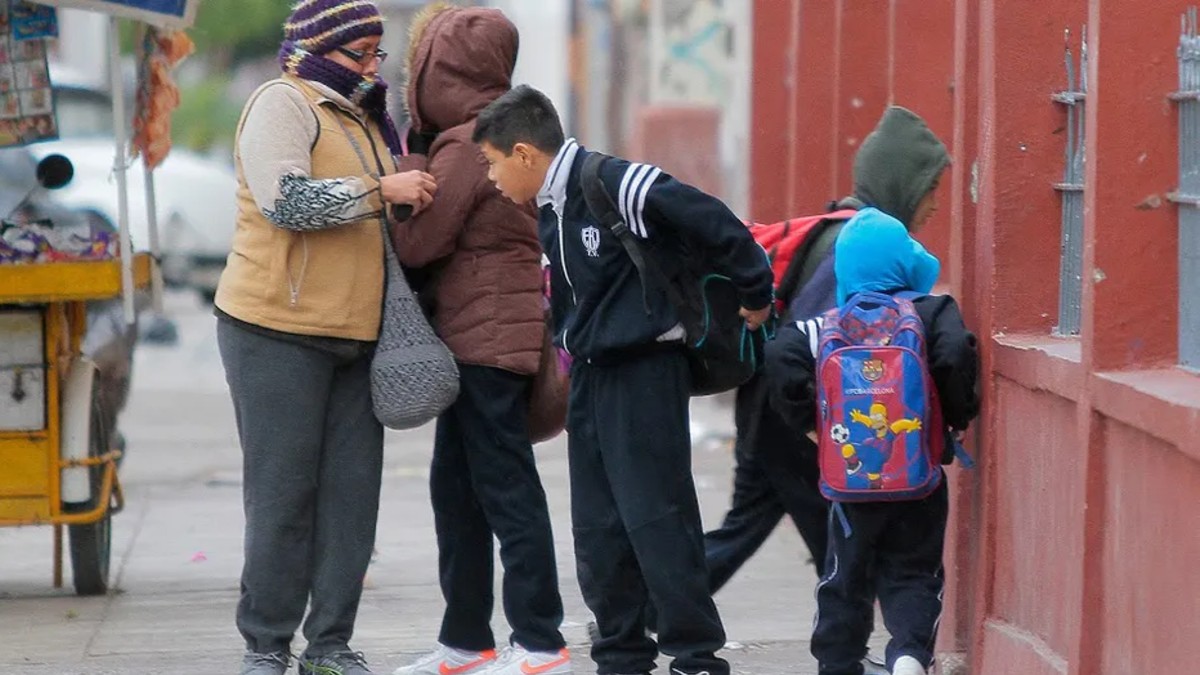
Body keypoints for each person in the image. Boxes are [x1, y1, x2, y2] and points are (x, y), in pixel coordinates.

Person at [472, 84, 774, 675]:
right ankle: (621, 654)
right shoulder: (550, 211)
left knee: (658, 519)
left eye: (492, 163)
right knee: (598, 530)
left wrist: (756, 290)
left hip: (645, 374)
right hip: (591, 379)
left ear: (526, 154)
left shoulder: (614, 183)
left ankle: (694, 655)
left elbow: (711, 218)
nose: (490, 177)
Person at [213, 2, 435, 673]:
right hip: (275, 330)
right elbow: (288, 202)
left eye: (377, 55)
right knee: (284, 495)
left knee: (351, 498)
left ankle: (331, 643)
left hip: (355, 334)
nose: (372, 67)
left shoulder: (362, 114)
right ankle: (267, 643)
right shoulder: (284, 103)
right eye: (359, 54)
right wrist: (379, 189)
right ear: (318, 47)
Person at [387, 6, 569, 675]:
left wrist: (404, 169)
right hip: (487, 336)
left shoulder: (465, 144)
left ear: (444, 71)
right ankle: (465, 638)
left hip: (486, 340)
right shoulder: (496, 131)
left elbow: (419, 240)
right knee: (458, 491)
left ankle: (540, 641)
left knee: (504, 490)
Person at [764, 208, 980, 675]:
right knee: (916, 570)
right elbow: (954, 353)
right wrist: (956, 418)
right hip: (918, 474)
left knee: (844, 573)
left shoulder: (828, 325)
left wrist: (811, 425)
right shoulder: (930, 311)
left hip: (851, 479)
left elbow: (779, 356)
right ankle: (907, 654)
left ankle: (838, 662)